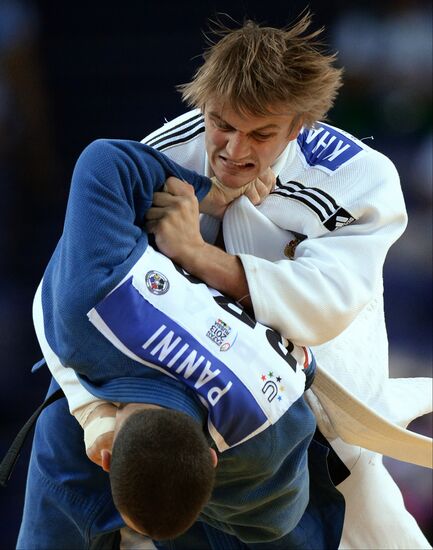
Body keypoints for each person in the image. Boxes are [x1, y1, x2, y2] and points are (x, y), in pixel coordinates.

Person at [16, 10, 432, 550]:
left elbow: (326, 307)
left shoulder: (358, 176)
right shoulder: (168, 152)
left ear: (300, 125)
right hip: (169, 392)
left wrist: (195, 253)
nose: (234, 150)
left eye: (261, 135)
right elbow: (65, 291)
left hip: (314, 406)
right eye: (223, 125)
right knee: (61, 438)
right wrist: (92, 412)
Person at [17, 138, 342, 550]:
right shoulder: (265, 432)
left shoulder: (84, 300)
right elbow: (277, 519)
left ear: (107, 457)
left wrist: (208, 192)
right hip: (222, 300)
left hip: (225, 296)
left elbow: (105, 160)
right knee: (273, 528)